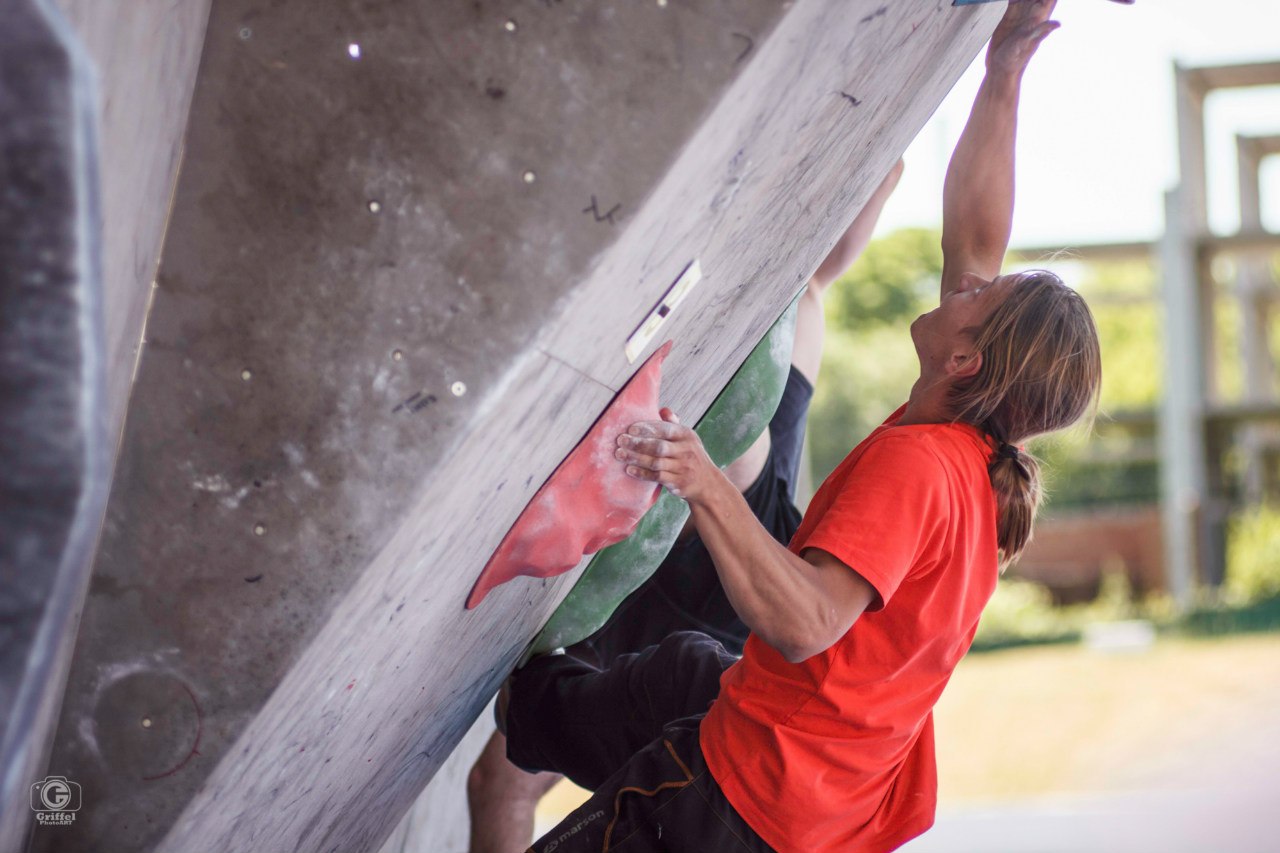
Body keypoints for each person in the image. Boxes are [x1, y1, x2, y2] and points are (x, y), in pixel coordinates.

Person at [501, 2, 1102, 851]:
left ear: (966, 359)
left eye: (975, 297)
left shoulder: (922, 465)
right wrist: (1004, 70)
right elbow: (976, 235)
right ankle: (522, 704)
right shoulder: (969, 449)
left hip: (743, 805)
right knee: (676, 672)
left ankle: (521, 711)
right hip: (807, 777)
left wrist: (702, 478)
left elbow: (811, 620)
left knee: (682, 687)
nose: (961, 284)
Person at [464, 163, 905, 853]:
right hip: (716, 595)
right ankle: (884, 155)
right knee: (799, 312)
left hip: (715, 627)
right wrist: (883, 157)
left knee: (504, 777)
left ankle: (881, 160)